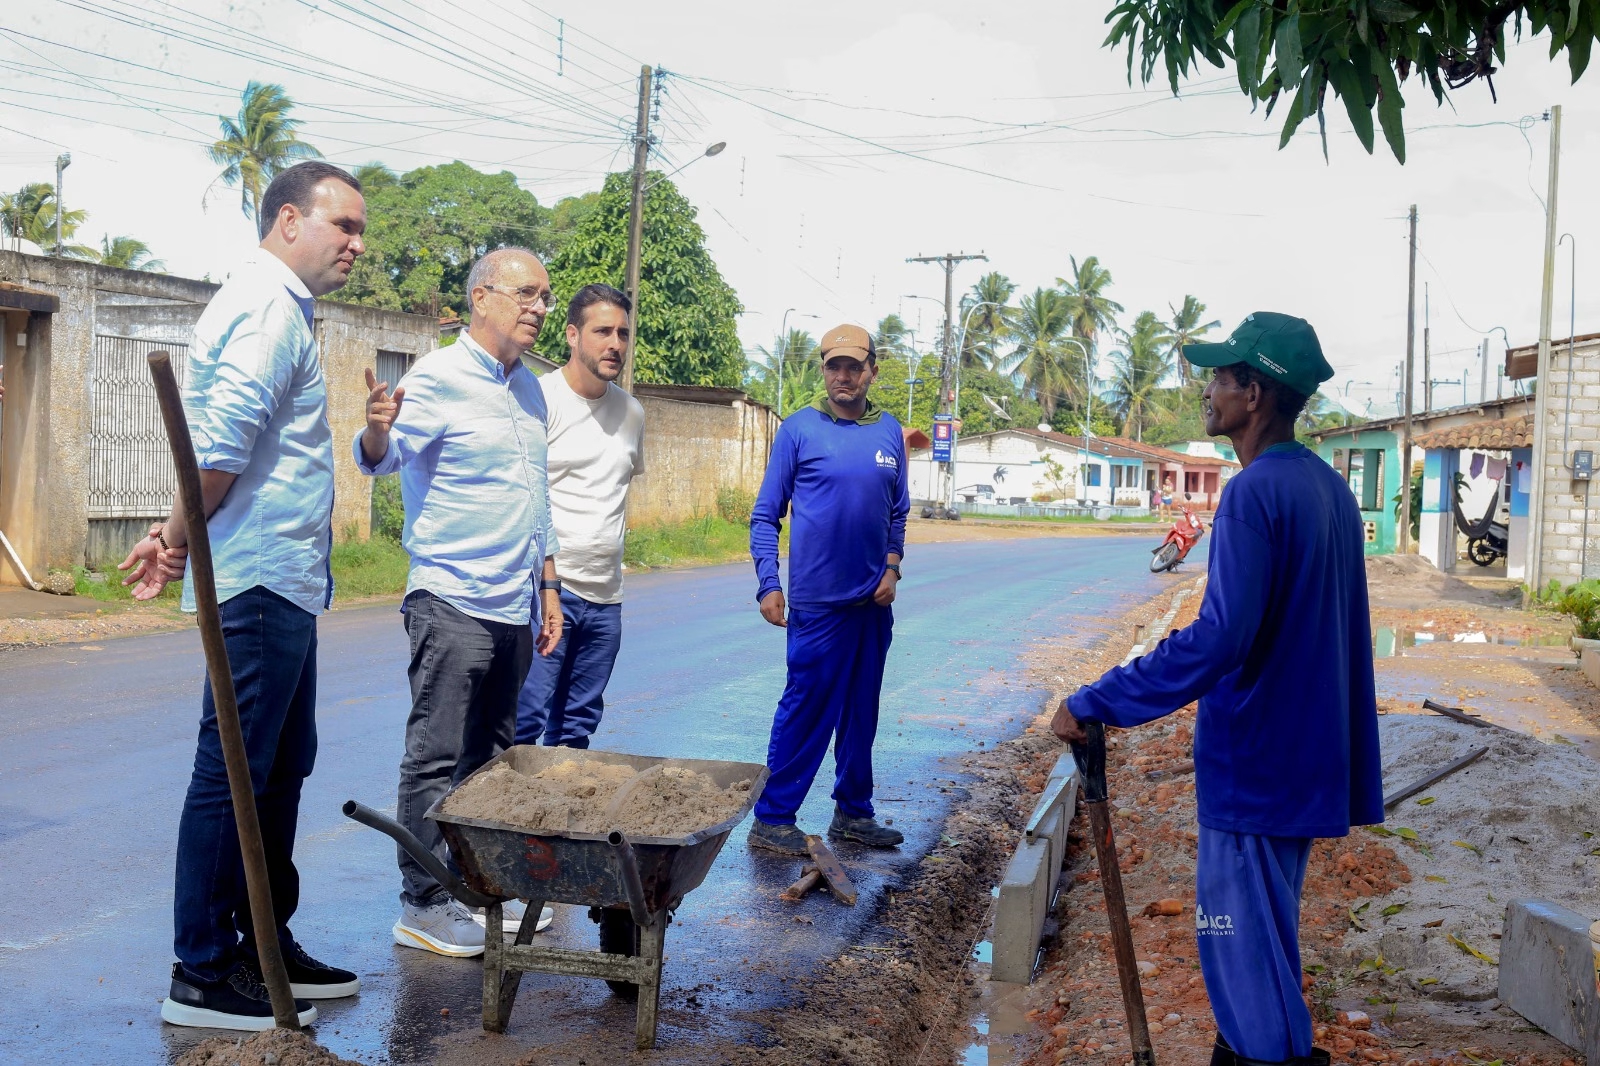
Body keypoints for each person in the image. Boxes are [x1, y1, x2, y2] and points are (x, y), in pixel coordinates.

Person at [1050, 313, 1381, 1066]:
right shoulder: (1327, 490)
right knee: (1264, 943)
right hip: (1304, 760)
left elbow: (1220, 637)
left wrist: (1098, 699)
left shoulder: (1255, 494)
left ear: (1254, 392)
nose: (1207, 390)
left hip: (1255, 765)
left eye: (1219, 378)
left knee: (1232, 943)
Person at [118, 161, 368, 1030]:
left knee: (277, 772)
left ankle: (264, 940)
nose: (356, 245)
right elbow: (219, 450)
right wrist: (180, 538)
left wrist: (168, 530)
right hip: (259, 578)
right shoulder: (266, 307)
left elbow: (222, 452)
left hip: (282, 578)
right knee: (232, 775)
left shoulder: (280, 308)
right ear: (289, 219)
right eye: (344, 226)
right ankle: (204, 967)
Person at [355, 247, 563, 958]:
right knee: (434, 757)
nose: (539, 308)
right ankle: (419, 903)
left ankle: (470, 890)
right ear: (482, 297)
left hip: (512, 604)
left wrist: (549, 583)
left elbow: (537, 495)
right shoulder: (438, 377)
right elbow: (382, 459)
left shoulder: (531, 391)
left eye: (545, 297)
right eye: (526, 294)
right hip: (450, 596)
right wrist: (377, 428)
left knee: (491, 759)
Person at [746, 323, 910, 856]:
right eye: (834, 366)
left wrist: (891, 567)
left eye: (854, 366)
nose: (844, 376)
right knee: (807, 707)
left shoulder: (890, 432)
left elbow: (898, 513)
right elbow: (765, 515)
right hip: (817, 606)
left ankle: (853, 814)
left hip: (872, 605)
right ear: (824, 370)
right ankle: (772, 818)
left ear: (871, 372)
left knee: (862, 711)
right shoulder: (799, 430)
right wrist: (769, 583)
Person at [514, 283, 645, 749]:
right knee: (524, 722)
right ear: (572, 335)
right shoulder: (537, 398)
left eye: (623, 334)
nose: (615, 344)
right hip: (549, 592)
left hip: (607, 599)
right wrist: (546, 586)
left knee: (577, 728)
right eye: (603, 331)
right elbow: (524, 498)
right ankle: (513, 823)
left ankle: (556, 824)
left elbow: (617, 493)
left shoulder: (632, 413)